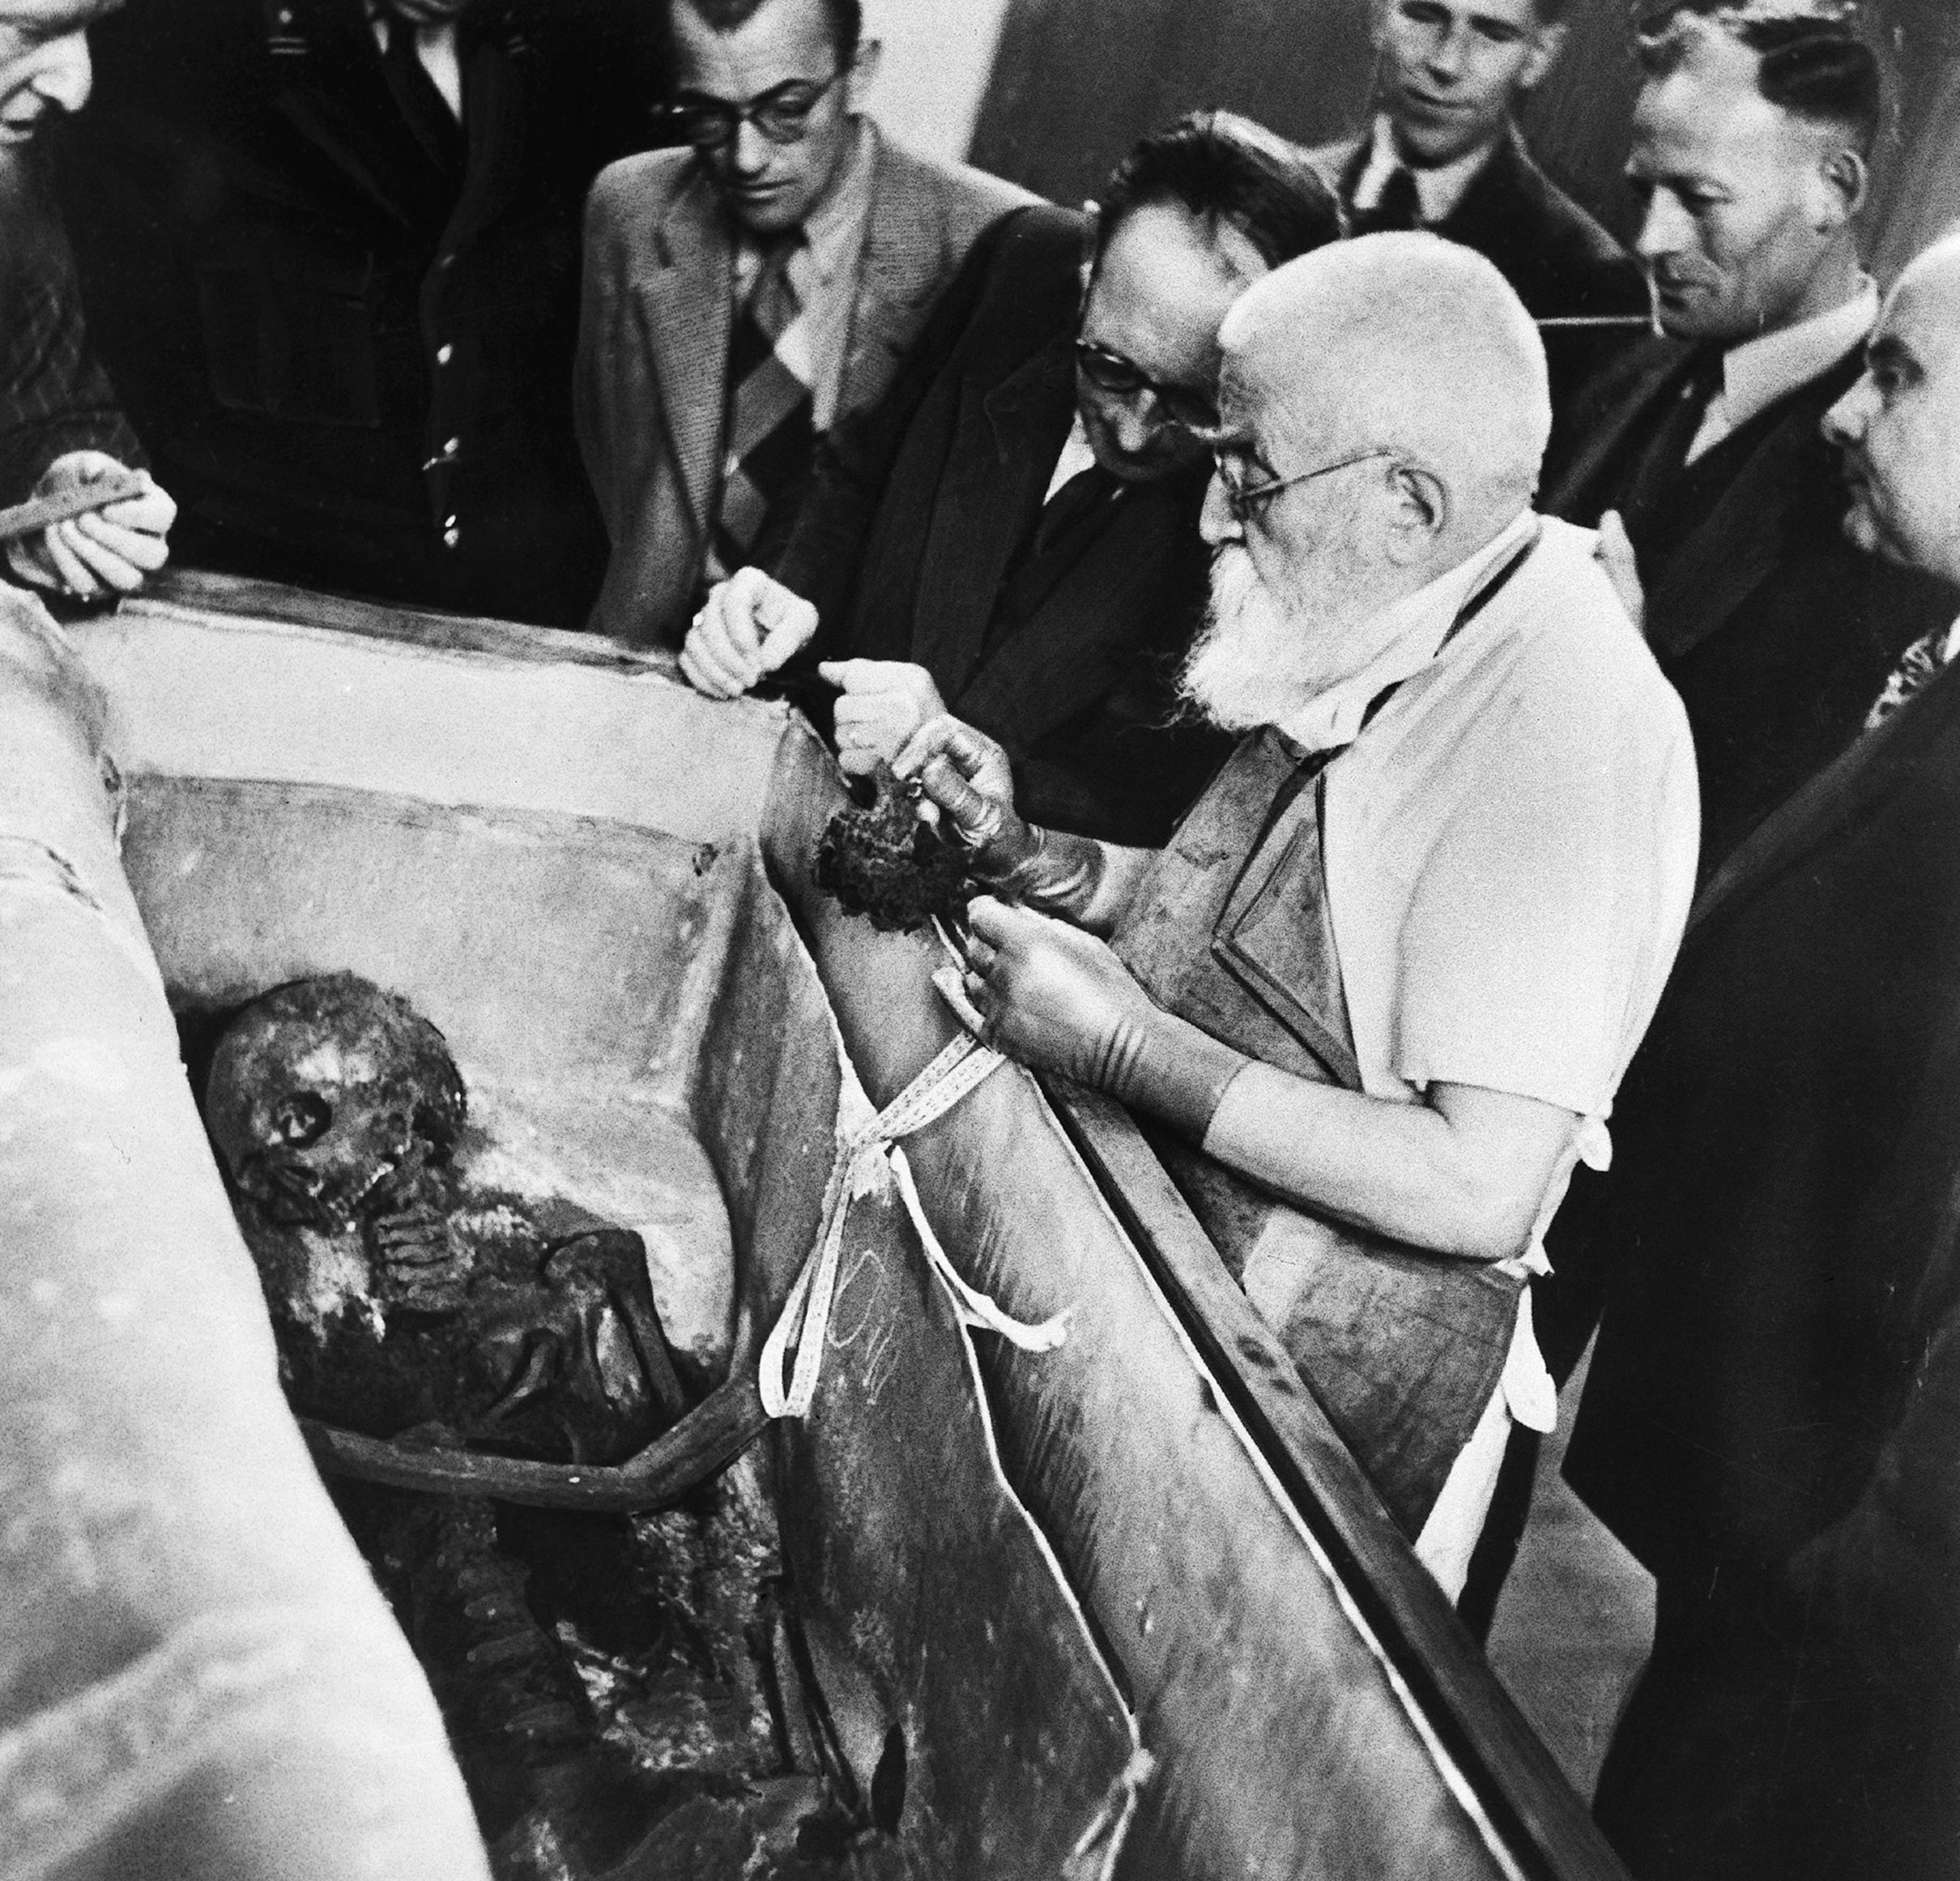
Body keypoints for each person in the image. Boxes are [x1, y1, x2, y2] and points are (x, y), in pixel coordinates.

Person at [896, 234, 1698, 1595]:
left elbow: (1475, 1179)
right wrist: (1041, 854)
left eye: (1248, 471)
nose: (1210, 516)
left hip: (1333, 1402)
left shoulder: (1567, 721)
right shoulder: (1407, 601)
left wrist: (1130, 1047)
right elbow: (1298, 932)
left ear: (1408, 501)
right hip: (1207, 1314)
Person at [1559, 230, 1960, 1881]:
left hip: (1850, 1640)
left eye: (1901, 372)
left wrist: (1826, 1568)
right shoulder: (1933, 654)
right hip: (1751, 1551)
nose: (1846, 415)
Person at [682, 113, 1340, 845]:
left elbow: (1175, 813)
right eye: (1110, 369)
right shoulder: (1023, 262)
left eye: (1196, 401)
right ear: (1090, 260)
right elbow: (861, 468)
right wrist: (781, 594)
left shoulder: (1279, 523)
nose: (1131, 431)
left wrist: (961, 757)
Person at [52, 0, 660, 625]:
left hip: (529, 622)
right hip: (278, 629)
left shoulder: (596, 34)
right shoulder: (150, 49)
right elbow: (93, 380)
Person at [1542, 0, 1956, 875]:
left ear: (1836, 190)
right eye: (1643, 191)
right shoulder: (1614, 374)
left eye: (1701, 200)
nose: (1651, 240)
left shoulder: (1914, 490)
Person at [577, 0, 1028, 649]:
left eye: (786, 111)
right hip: (637, 667)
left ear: (860, 71)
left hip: (838, 700)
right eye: (707, 116)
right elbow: (607, 450)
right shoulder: (629, 208)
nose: (746, 158)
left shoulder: (992, 242)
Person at [1305, 0, 1644, 410]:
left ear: (1540, 54)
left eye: (1492, 34)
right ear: (1378, 16)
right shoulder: (1264, 197)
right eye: (1424, 15)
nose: (1446, 63)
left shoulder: (1589, 278)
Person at [1, 0, 175, 599]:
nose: (78, 88)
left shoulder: (11, 188)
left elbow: (52, 413)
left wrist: (53, 495)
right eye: (32, 33)